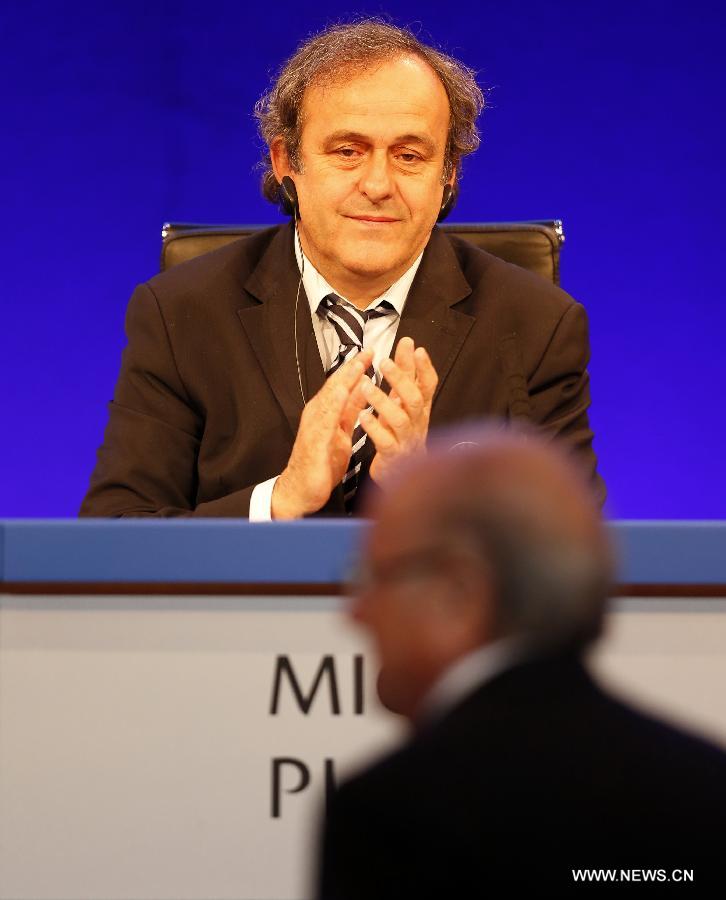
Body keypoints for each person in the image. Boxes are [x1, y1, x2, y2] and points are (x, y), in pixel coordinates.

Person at [80, 20, 604, 519]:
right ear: (287, 162)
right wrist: (279, 501)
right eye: (348, 151)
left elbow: (571, 552)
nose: (378, 184)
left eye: (409, 155)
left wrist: (429, 497)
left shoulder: (537, 325)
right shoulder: (182, 314)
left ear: (447, 174)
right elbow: (117, 533)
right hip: (249, 612)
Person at [316, 426, 726, 897]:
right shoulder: (705, 786)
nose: (356, 612)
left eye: (375, 576)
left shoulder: (390, 814)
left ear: (461, 593)